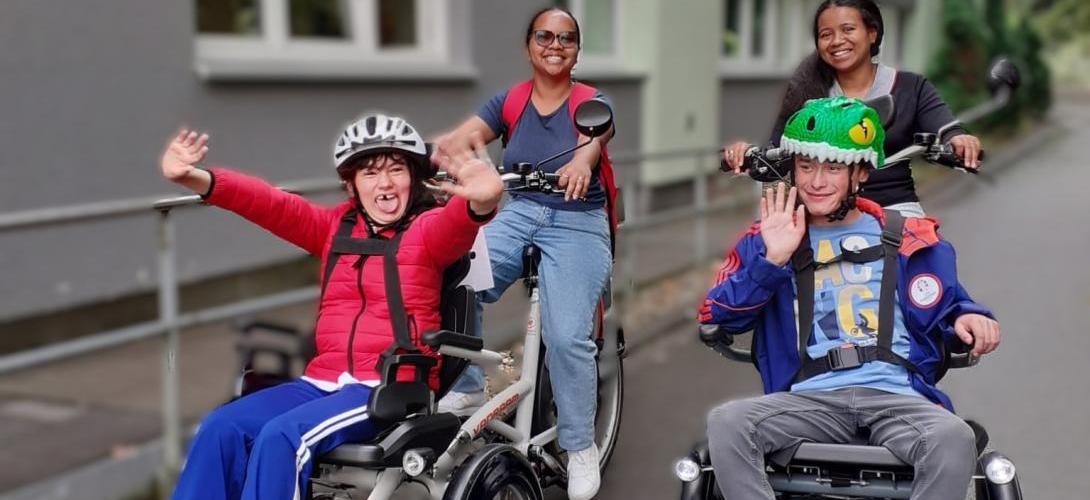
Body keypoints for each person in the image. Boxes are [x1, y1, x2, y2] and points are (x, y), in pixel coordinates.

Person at [161, 113, 503, 500]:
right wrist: (194, 178)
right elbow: (269, 203)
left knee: (283, 438)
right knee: (221, 427)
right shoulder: (334, 228)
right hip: (321, 381)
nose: (385, 183)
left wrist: (484, 198)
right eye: (370, 173)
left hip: (388, 386)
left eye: (396, 169)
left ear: (413, 178)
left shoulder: (427, 230)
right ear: (351, 184)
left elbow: (460, 222)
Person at [699, 97, 1001, 500]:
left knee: (954, 437)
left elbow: (947, 303)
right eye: (806, 166)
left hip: (896, 396)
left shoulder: (909, 236)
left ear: (860, 172)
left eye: (832, 168)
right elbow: (716, 314)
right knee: (728, 422)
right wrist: (772, 259)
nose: (816, 181)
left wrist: (969, 317)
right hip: (810, 397)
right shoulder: (769, 235)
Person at [431, 7, 616, 500]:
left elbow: (594, 139)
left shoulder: (591, 101)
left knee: (566, 335)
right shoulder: (510, 100)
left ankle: (580, 446)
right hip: (519, 212)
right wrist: (434, 155)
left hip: (578, 221)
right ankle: (467, 385)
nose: (555, 45)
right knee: (456, 276)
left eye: (566, 38)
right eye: (545, 36)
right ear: (529, 45)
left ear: (577, 50)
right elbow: (462, 139)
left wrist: (582, 161)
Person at [723, 0, 982, 217]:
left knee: (931, 257)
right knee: (769, 257)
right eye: (826, 34)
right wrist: (745, 154)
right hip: (821, 214)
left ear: (872, 33)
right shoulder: (807, 91)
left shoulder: (911, 87)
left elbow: (946, 128)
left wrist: (959, 141)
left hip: (894, 211)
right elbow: (777, 151)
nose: (837, 41)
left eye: (848, 29)